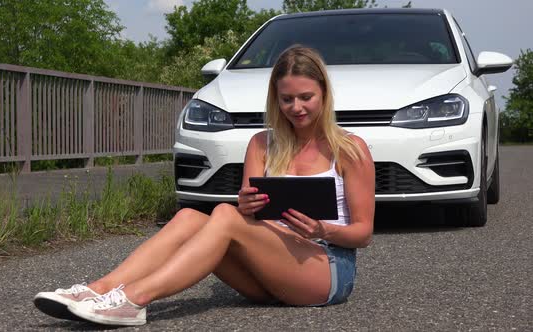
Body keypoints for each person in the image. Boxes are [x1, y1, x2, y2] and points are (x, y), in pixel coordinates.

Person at [33, 46, 375, 326]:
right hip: (268, 271)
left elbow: (362, 233)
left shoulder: (349, 148)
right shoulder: (260, 144)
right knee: (190, 218)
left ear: (324, 94)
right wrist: (248, 208)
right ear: (276, 100)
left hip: (324, 268)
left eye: (306, 97)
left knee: (223, 214)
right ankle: (98, 290)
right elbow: (246, 221)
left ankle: (133, 299)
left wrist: (322, 228)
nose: (296, 108)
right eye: (287, 99)